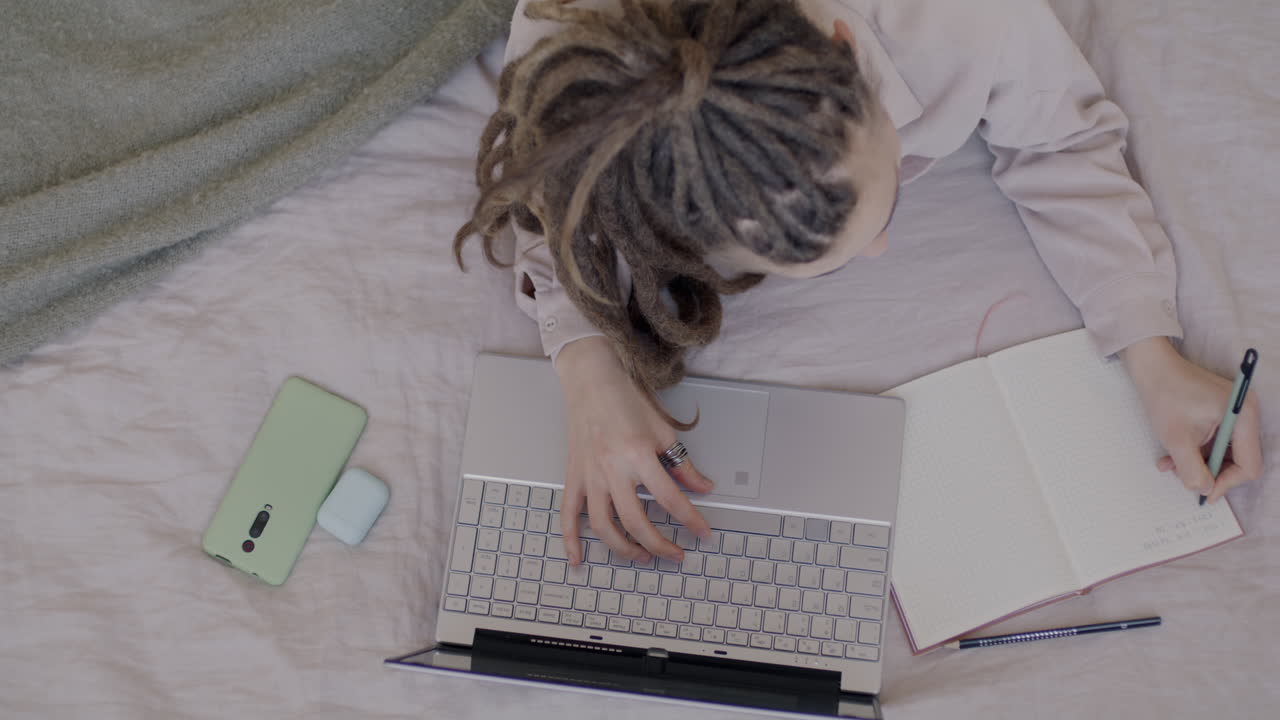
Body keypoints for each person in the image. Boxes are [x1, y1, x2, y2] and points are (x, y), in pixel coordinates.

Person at [455, 0, 1263, 566]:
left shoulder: (970, 19)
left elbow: (1060, 139)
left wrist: (1152, 353)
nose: (880, 251)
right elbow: (552, 198)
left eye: (884, 198)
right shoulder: (572, 51)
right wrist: (586, 363)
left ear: (846, 48)